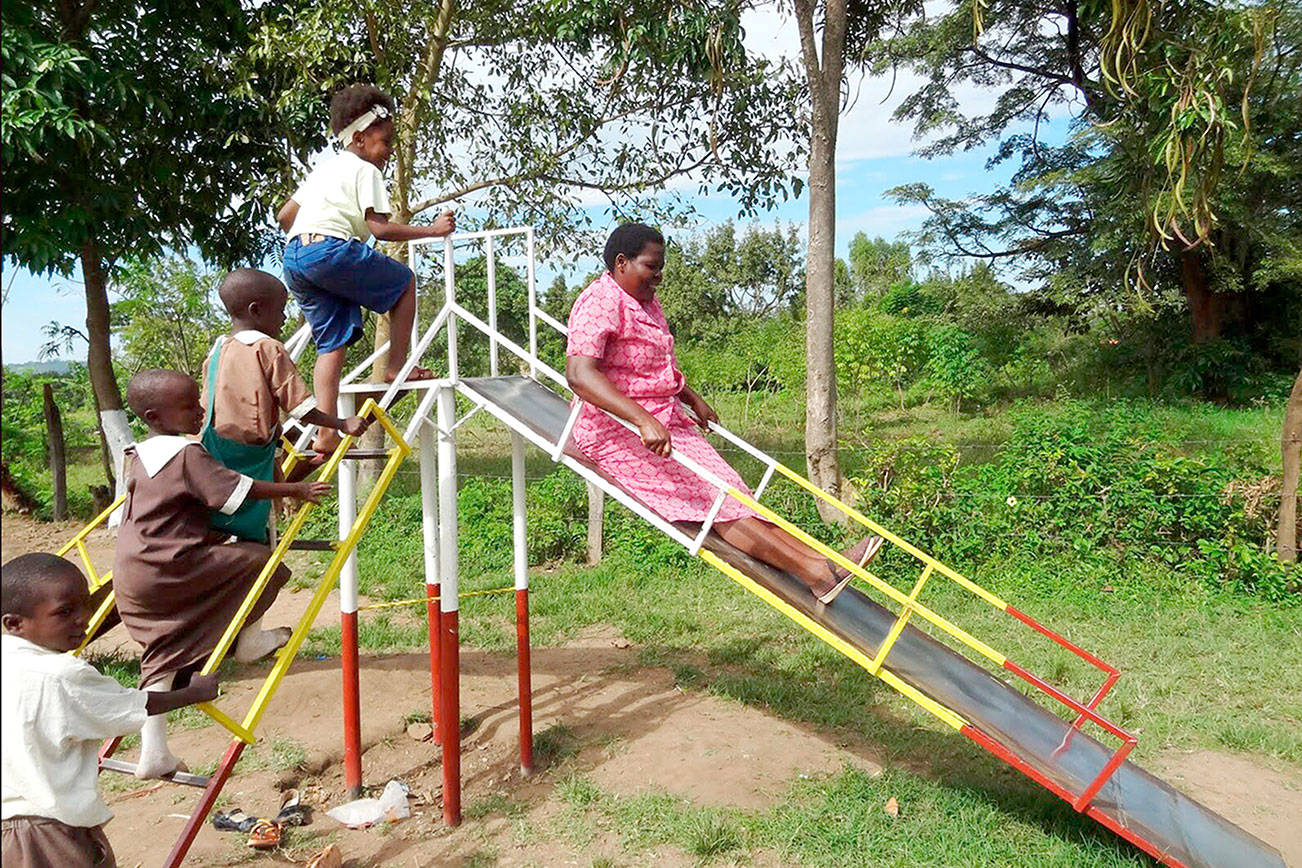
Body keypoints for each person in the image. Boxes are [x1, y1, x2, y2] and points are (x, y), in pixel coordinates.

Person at [566, 223, 883, 604]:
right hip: (617, 431)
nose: (660, 276)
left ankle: (823, 563)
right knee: (714, 501)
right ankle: (817, 572)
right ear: (621, 262)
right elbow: (580, 375)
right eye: (652, 266)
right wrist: (641, 419)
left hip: (663, 420)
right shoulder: (600, 302)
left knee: (734, 494)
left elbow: (648, 366)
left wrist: (690, 396)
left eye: (661, 266)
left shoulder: (645, 302)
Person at [112, 369, 331, 779]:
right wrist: (295, 490)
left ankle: (153, 752)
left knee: (163, 651)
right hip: (171, 566)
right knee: (262, 562)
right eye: (188, 406)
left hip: (134, 572)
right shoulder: (186, 455)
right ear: (157, 416)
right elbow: (235, 489)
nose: (199, 411)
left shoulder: (138, 454)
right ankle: (249, 640)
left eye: (199, 402)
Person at [2, 553, 219, 868]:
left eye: (86, 605)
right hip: (44, 833)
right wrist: (192, 693)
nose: (84, 618)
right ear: (14, 623)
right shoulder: (62, 673)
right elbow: (136, 704)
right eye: (64, 612)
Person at [277, 83, 456, 454]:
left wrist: (312, 232)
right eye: (386, 142)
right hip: (330, 250)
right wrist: (433, 230)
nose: (389, 152)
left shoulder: (323, 171)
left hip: (295, 257)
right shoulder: (365, 169)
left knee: (332, 344)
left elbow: (284, 216)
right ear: (359, 138)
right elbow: (380, 228)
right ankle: (395, 366)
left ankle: (325, 434)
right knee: (404, 281)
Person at [203, 267, 369, 541]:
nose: (283, 318)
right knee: (254, 526)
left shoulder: (218, 350)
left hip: (213, 449)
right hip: (251, 453)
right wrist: (341, 423)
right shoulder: (268, 348)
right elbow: (299, 406)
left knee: (223, 517)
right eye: (280, 310)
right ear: (256, 310)